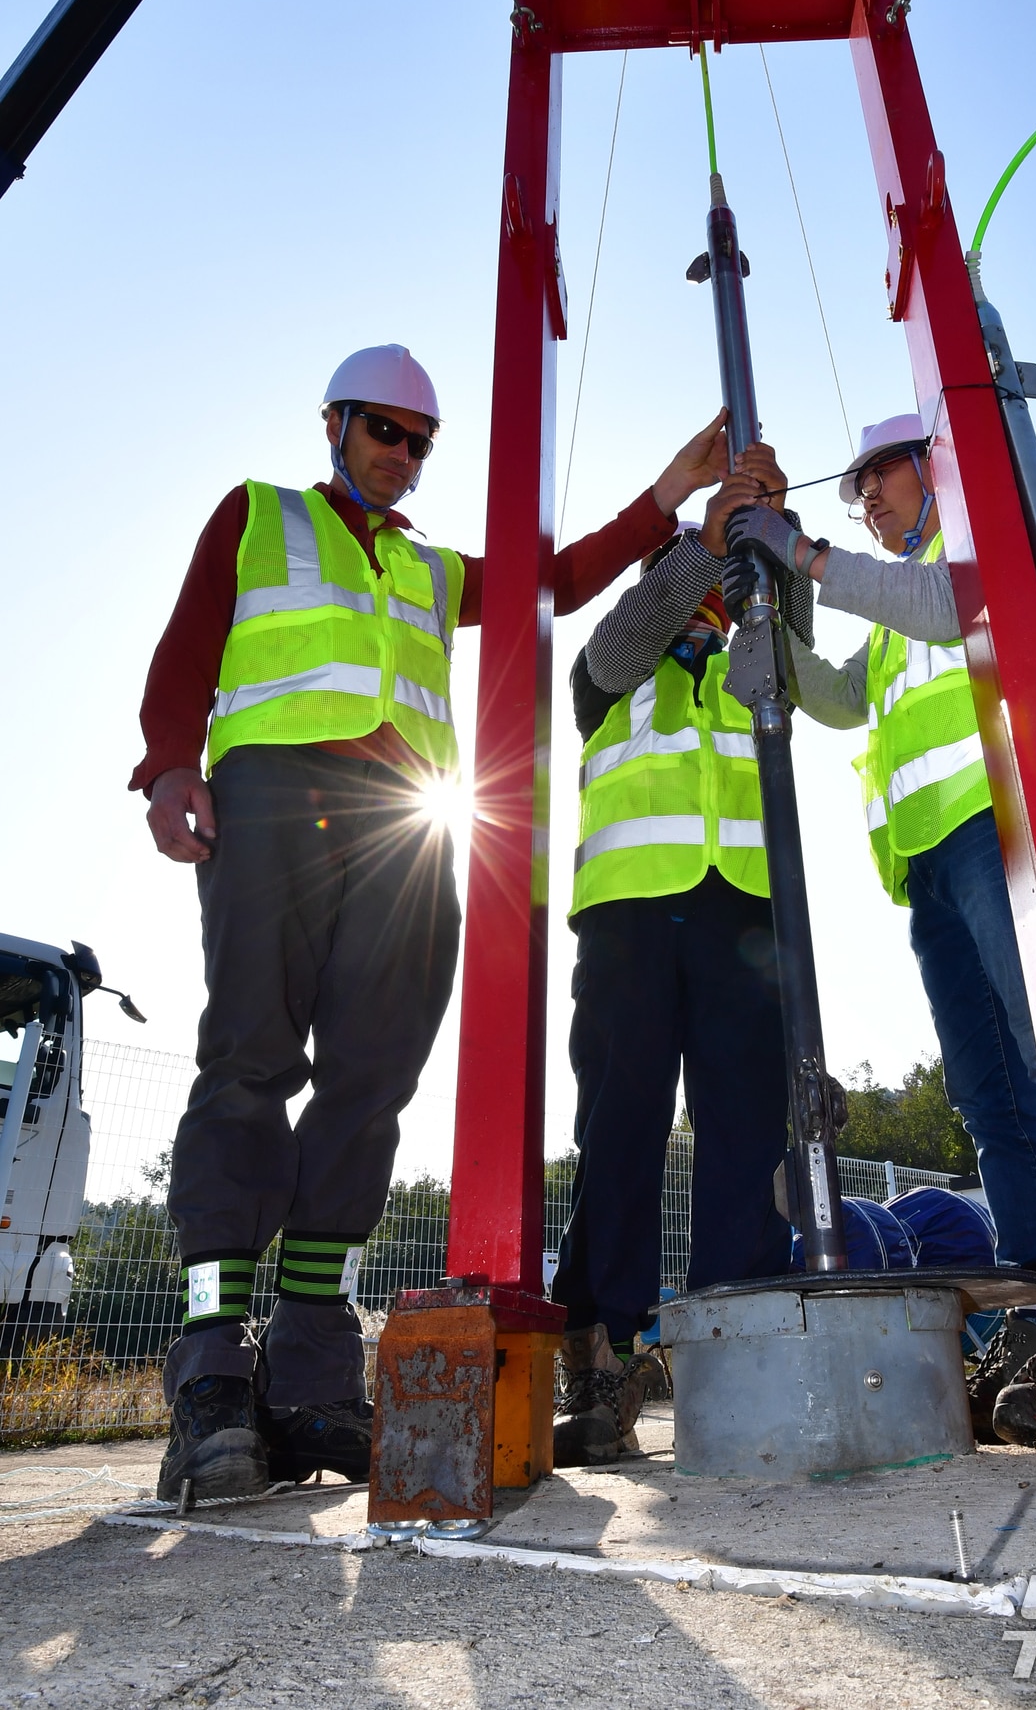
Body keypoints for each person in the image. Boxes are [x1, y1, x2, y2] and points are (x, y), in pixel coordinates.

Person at [132, 343, 732, 1502]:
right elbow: (185, 647)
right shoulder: (259, 516)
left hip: (405, 826)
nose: (402, 458)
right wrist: (168, 768)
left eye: (419, 443)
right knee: (249, 1061)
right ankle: (211, 1365)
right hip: (270, 801)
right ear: (334, 424)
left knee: (370, 1084)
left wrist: (667, 498)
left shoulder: (428, 571)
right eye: (384, 433)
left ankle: (308, 1372)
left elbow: (552, 581)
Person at [726, 414, 1036, 1274]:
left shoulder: (975, 542)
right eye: (858, 491)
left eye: (880, 473)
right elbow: (847, 699)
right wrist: (768, 634)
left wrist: (799, 552)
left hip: (1004, 834)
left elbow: (954, 607)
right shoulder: (889, 614)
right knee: (985, 1087)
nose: (867, 497)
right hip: (930, 866)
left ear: (933, 464)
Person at [551, 443, 805, 1465]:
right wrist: (700, 545)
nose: (694, 591)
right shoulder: (611, 671)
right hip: (628, 912)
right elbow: (613, 650)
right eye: (675, 575)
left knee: (746, 1127)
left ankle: (733, 1341)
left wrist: (771, 548)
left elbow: (791, 660)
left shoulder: (751, 653)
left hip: (742, 915)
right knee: (620, 1123)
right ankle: (604, 1356)